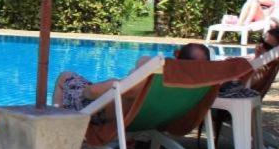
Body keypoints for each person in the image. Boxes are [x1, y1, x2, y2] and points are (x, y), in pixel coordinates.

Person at [54, 42, 211, 114]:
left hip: (104, 113)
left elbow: (93, 91)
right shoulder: (202, 83)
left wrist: (88, 91)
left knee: (64, 76)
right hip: (150, 120)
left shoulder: (152, 79)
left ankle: (59, 126)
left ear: (177, 55)